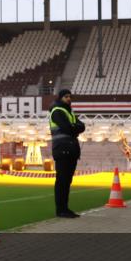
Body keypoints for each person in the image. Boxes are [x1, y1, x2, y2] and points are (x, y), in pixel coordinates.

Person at [48, 89, 85, 218]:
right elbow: (68, 128)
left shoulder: (69, 112)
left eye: (69, 96)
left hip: (70, 149)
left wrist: (74, 128)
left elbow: (82, 126)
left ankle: (65, 208)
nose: (69, 98)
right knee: (62, 181)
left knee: (67, 181)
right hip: (62, 149)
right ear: (60, 98)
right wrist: (75, 128)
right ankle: (61, 210)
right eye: (66, 96)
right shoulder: (57, 111)